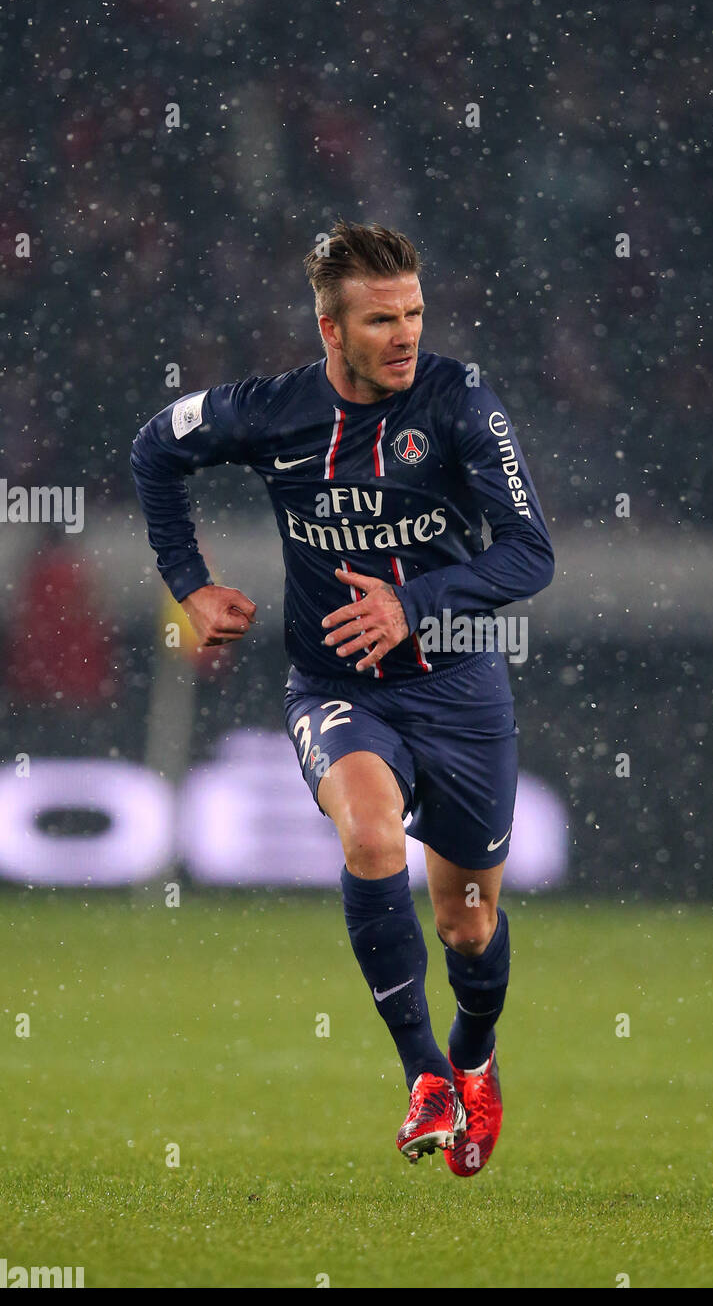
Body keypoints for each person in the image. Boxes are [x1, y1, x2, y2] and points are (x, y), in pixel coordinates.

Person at [130, 219, 555, 1172]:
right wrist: (189, 581)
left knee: (466, 923)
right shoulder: (271, 412)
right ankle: (423, 1078)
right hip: (336, 686)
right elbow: (155, 449)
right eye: (379, 320)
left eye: (413, 312)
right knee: (368, 837)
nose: (405, 334)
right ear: (330, 329)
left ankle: (473, 1059)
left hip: (457, 686)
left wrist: (413, 602)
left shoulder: (459, 401)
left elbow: (533, 552)